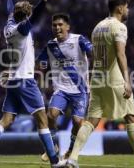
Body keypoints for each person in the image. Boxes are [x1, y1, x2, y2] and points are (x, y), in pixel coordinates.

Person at [0, 0, 64, 168]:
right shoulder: (23, 29)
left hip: (13, 81)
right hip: (25, 80)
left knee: (6, 119)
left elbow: (10, 10)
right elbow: (39, 12)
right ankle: (55, 162)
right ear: (27, 16)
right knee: (42, 120)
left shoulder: (9, 26)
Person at [66, 0, 134, 168]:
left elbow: (95, 55)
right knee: (131, 117)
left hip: (97, 78)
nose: (128, 10)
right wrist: (127, 80)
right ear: (120, 8)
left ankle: (72, 159)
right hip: (114, 79)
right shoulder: (119, 27)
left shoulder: (98, 27)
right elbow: (120, 54)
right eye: (126, 7)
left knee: (91, 120)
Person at [37, 13, 92, 161]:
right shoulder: (51, 45)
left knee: (78, 122)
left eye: (60, 25)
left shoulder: (79, 39)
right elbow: (40, 64)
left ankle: (70, 150)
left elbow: (92, 51)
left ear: (68, 27)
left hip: (80, 90)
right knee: (50, 115)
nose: (57, 27)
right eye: (54, 25)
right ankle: (54, 147)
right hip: (61, 89)